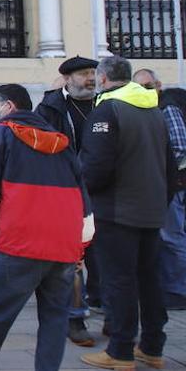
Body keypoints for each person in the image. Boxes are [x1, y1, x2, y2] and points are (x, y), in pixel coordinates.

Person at [0, 84, 94, 371]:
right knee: (54, 318)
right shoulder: (61, 141)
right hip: (63, 245)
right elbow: (82, 199)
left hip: (18, 243)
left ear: (9, 107)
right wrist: (81, 244)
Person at [79, 56, 177, 371]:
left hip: (117, 210)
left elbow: (96, 166)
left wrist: (85, 195)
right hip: (151, 209)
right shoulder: (153, 109)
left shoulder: (107, 110)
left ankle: (120, 351)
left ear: (103, 79)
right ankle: (152, 346)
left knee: (118, 281)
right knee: (149, 279)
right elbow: (170, 165)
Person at [36, 55, 104, 335]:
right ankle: (76, 318)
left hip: (103, 190)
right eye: (83, 74)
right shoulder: (50, 108)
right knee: (73, 258)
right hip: (68, 191)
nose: (90, 78)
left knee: (103, 256)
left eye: (92, 72)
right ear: (67, 79)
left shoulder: (106, 104)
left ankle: (108, 310)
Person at [134, 75, 186, 310]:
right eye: (139, 87)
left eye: (148, 86)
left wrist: (156, 170)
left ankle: (178, 291)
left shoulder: (167, 108)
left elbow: (179, 145)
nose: (144, 90)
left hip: (170, 185)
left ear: (158, 86)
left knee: (172, 237)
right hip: (158, 185)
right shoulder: (147, 110)